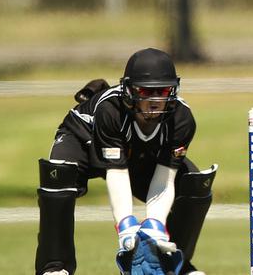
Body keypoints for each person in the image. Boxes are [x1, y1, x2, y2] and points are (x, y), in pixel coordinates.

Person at [35, 48, 217, 275]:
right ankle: (54, 267)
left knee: (194, 185)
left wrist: (155, 225)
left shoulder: (182, 119)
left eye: (161, 91)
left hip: (139, 155)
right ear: (130, 90)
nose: (154, 100)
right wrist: (126, 227)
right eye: (145, 91)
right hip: (83, 140)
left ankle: (173, 265)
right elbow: (117, 172)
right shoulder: (111, 110)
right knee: (58, 176)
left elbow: (164, 176)